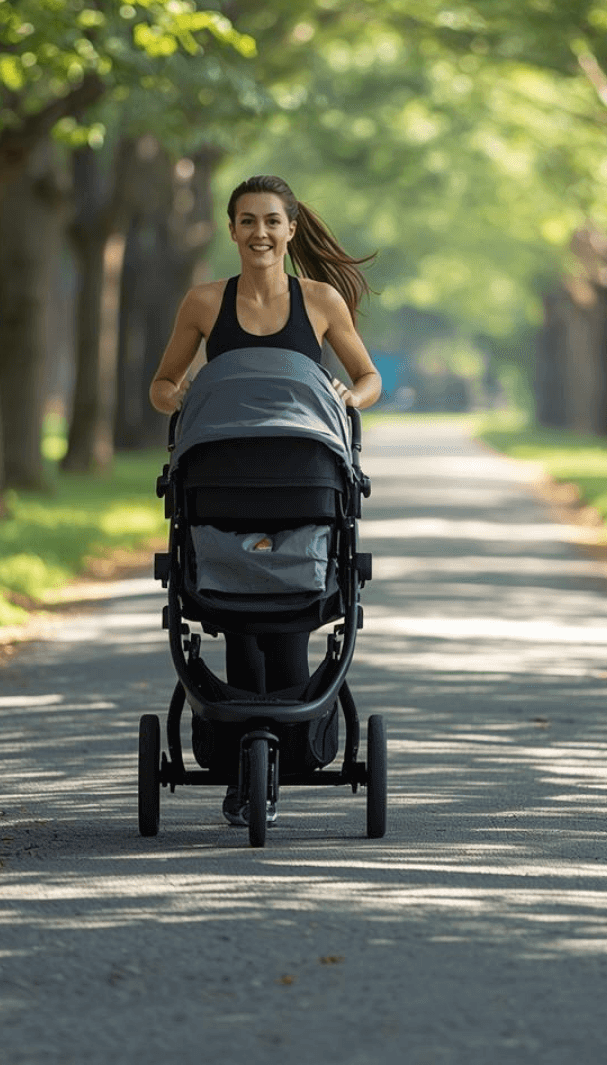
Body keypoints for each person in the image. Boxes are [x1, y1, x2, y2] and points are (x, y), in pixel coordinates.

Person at [149, 174, 381, 824]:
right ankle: (249, 761)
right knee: (237, 621)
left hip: (302, 488)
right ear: (231, 230)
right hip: (224, 489)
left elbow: (367, 377)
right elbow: (162, 385)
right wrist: (181, 394)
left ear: (291, 229)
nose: (260, 233)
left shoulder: (322, 301)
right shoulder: (202, 303)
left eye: (272, 221)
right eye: (247, 221)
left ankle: (282, 752)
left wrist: (347, 398)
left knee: (289, 624)